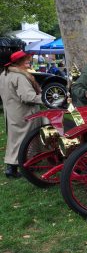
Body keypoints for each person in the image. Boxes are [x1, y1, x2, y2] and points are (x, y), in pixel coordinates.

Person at [0, 50, 43, 178]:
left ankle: (12, 168)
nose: (29, 61)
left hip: (12, 112)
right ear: (18, 62)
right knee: (26, 140)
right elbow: (27, 97)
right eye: (26, 59)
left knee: (15, 140)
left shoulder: (4, 74)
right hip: (24, 113)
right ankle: (27, 165)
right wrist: (45, 99)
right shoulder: (19, 76)